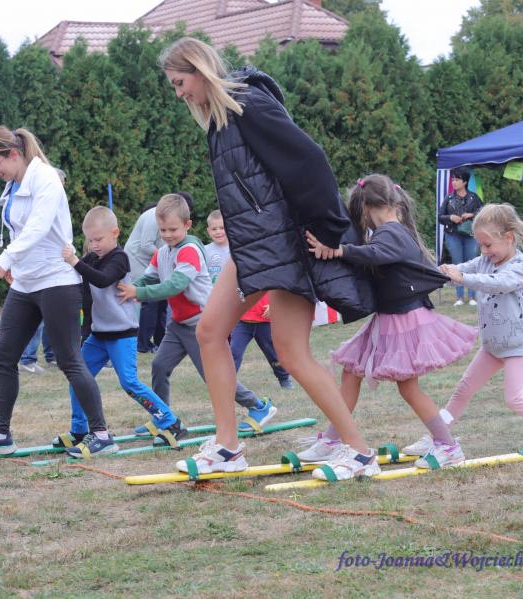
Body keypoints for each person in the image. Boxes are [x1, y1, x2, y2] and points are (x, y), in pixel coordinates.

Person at [160, 38, 376, 480]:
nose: (180, 94)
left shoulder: (247, 105)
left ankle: (358, 452)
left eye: (181, 83)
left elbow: (309, 160)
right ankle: (227, 447)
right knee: (209, 332)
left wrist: (328, 229)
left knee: (293, 353)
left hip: (287, 246)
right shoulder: (221, 120)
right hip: (255, 246)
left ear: (200, 69)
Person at [0, 126, 116, 459]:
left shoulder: (45, 178)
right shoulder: (13, 184)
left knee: (69, 360)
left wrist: (6, 259)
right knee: (4, 357)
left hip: (56, 281)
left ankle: (102, 434)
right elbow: (19, 231)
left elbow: (38, 228)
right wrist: (15, 265)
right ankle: (0, 435)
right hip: (25, 283)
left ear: (13, 154)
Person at [304, 176, 477, 470]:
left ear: (366, 207)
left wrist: (339, 251)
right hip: (390, 318)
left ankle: (448, 446)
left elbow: (375, 254)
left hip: (403, 320)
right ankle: (333, 439)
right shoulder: (392, 231)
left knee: (408, 387)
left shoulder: (391, 232)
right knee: (351, 372)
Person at [404, 204, 523, 457]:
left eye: (488, 245)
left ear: (509, 237)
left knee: (514, 399)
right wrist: (441, 273)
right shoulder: (484, 260)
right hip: (492, 346)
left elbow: (495, 283)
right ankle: (440, 437)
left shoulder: (518, 266)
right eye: (480, 245)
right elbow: (463, 269)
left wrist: (462, 278)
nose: (484, 251)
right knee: (463, 389)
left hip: (515, 346)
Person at [117, 194, 276, 433]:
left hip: (202, 323)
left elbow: (174, 286)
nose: (167, 235)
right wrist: (126, 289)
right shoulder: (162, 252)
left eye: (173, 229)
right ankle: (163, 417)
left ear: (187, 225)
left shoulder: (189, 251)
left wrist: (138, 293)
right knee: (159, 366)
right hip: (178, 324)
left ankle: (259, 406)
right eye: (162, 230)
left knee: (213, 376)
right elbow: (149, 277)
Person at [58, 206, 188, 450]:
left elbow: (102, 279)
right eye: (90, 240)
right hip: (98, 335)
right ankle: (79, 429)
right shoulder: (91, 259)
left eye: (98, 239)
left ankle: (171, 422)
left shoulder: (120, 258)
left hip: (122, 334)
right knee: (78, 378)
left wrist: (74, 261)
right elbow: (75, 278)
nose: (94, 245)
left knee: (129, 382)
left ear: (115, 233)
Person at [125, 201, 167, 353]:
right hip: (138, 261)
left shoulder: (168, 217)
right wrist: (167, 256)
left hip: (156, 262)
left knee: (162, 300)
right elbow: (146, 245)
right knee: (150, 301)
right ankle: (143, 343)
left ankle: (160, 341)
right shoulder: (152, 216)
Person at [439, 168, 483, 306]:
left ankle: (472, 297)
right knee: (457, 264)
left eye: (457, 180)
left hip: (471, 235)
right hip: (453, 235)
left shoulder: (474, 197)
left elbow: (483, 212)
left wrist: (471, 215)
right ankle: (459, 297)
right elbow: (440, 217)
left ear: (464, 182)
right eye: (453, 179)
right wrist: (450, 217)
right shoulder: (448, 198)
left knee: (472, 264)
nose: (453, 182)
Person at [230, 293, 293, 389]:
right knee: (234, 352)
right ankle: (226, 381)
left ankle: (284, 378)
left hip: (266, 322)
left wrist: (275, 305)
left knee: (274, 355)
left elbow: (282, 289)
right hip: (242, 322)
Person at [203, 209, 231, 280]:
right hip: (212, 287)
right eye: (214, 229)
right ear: (209, 231)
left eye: (222, 228)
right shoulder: (204, 250)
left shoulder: (236, 249)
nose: (218, 232)